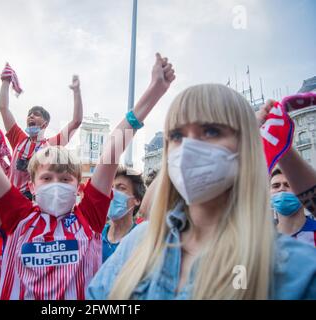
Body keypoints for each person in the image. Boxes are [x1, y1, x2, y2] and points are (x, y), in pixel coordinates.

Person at [0, 52, 175, 300]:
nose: (56, 184)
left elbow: (112, 150)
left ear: (79, 186)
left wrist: (153, 92)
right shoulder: (18, 216)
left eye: (65, 179)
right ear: (31, 184)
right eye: (47, 178)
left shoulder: (89, 217)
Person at [87, 84, 316, 300]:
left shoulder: (295, 270)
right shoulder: (140, 240)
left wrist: (278, 143)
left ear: (248, 145)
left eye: (211, 131)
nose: (188, 149)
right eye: (177, 136)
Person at [0, 64, 83, 199]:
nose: (31, 116)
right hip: (11, 198)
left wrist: (77, 91)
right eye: (29, 114)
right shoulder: (18, 138)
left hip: (34, 201)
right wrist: (5, 81)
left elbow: (76, 121)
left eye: (36, 114)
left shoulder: (52, 144)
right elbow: (4, 109)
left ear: (45, 123)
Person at [103, 166, 145, 262]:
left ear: (137, 200)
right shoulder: (97, 237)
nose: (112, 193)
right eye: (111, 188)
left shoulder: (141, 239)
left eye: (121, 188)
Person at [270, 167, 316, 246]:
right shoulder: (264, 238)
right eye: (276, 186)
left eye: (288, 185)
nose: (282, 189)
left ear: (303, 192)